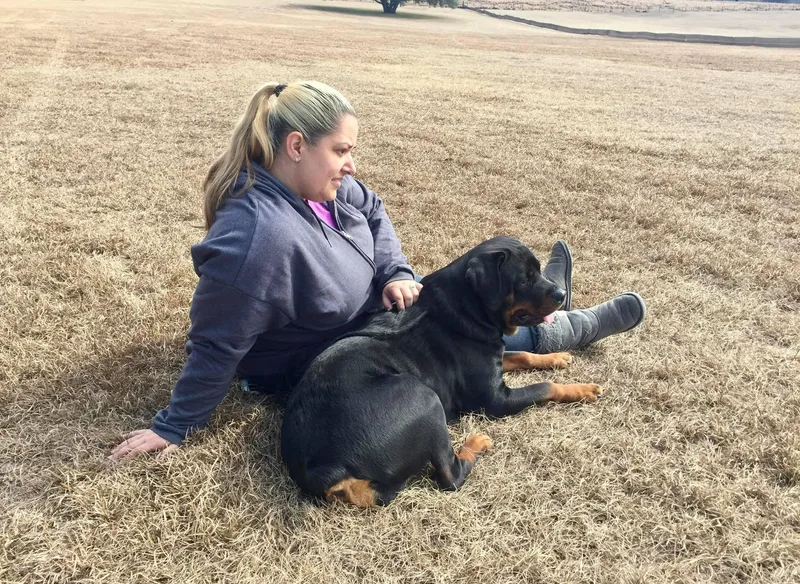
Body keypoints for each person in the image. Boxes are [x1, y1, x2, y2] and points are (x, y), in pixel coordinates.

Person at [109, 81, 645, 461]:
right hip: (339, 354)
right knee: (470, 329)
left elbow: (374, 208)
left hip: (385, 310)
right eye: (341, 150)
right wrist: (175, 425)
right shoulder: (258, 240)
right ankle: (574, 319)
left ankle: (545, 294)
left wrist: (394, 270)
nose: (351, 164)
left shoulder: (323, 189)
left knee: (468, 289)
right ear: (297, 146)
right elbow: (216, 342)